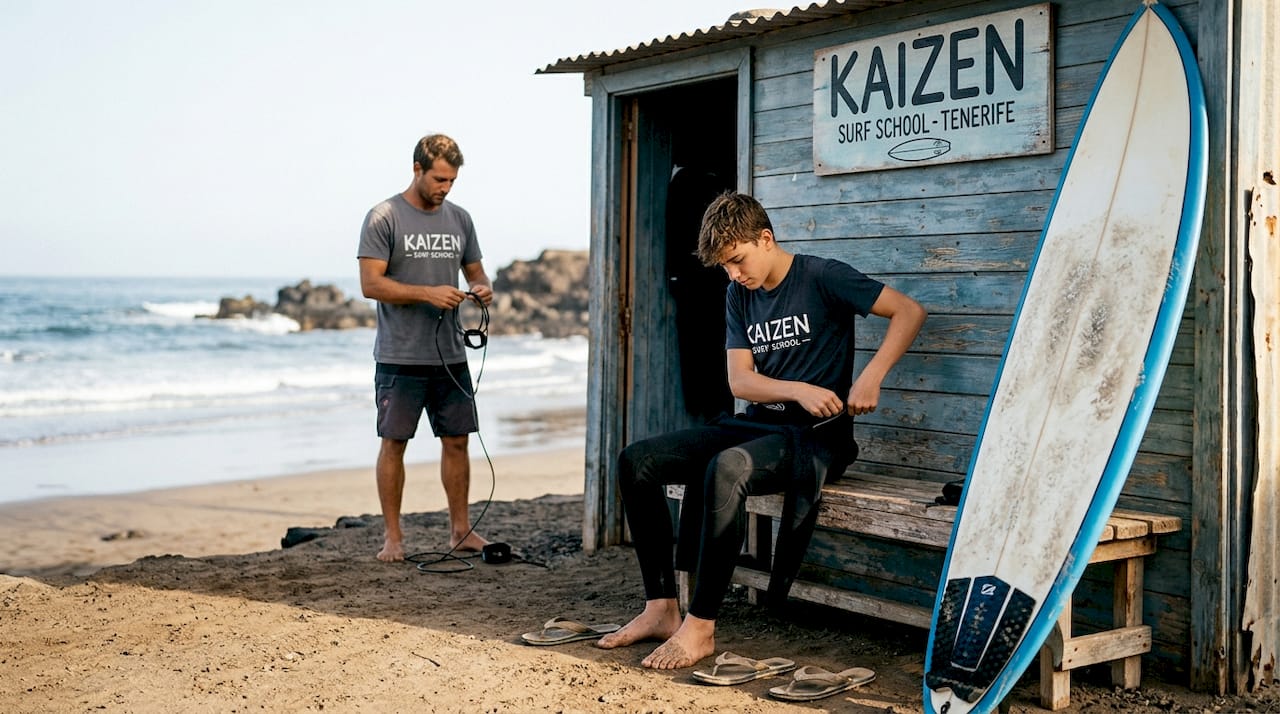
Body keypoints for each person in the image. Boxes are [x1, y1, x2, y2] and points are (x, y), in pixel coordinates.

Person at [597, 192, 926, 669]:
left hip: (818, 436)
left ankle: (701, 627)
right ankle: (662, 608)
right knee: (637, 461)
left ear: (765, 239)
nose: (734, 274)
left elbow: (909, 311)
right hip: (759, 424)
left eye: (737, 260)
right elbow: (740, 381)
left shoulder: (822, 276)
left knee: (727, 467)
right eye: (725, 267)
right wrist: (797, 389)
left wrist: (870, 377)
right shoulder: (739, 294)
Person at [357, 133, 493, 562]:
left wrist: (481, 289)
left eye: (451, 181)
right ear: (417, 169)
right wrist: (427, 293)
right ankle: (393, 538)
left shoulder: (460, 219)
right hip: (399, 355)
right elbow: (370, 284)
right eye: (439, 179)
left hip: (450, 355)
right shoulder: (384, 217)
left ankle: (460, 531)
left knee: (458, 441)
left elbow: (477, 273)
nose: (445, 188)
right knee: (394, 443)